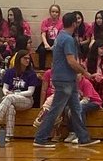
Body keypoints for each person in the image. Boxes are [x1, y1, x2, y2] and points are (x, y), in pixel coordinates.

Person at [33, 12, 99, 149]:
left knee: (76, 109)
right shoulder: (68, 39)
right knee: (56, 109)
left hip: (67, 79)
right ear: (74, 23)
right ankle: (40, 138)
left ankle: (83, 138)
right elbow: (71, 61)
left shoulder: (60, 36)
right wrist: (85, 72)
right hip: (65, 79)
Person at [0, 51, 40, 139]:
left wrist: (14, 93)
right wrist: (6, 92)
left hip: (26, 99)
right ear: (19, 59)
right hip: (11, 98)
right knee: (10, 107)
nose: (27, 60)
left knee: (9, 98)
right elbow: (5, 88)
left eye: (28, 58)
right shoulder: (10, 72)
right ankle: (9, 135)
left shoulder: (31, 73)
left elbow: (30, 92)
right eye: (25, 58)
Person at [37, 4, 62, 71]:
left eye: (56, 12)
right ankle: (41, 69)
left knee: (56, 48)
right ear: (50, 12)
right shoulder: (45, 22)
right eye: (53, 11)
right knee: (41, 49)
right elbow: (43, 34)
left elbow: (60, 36)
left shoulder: (61, 23)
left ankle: (56, 69)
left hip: (56, 42)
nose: (54, 13)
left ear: (59, 13)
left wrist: (54, 46)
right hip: (47, 42)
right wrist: (46, 44)